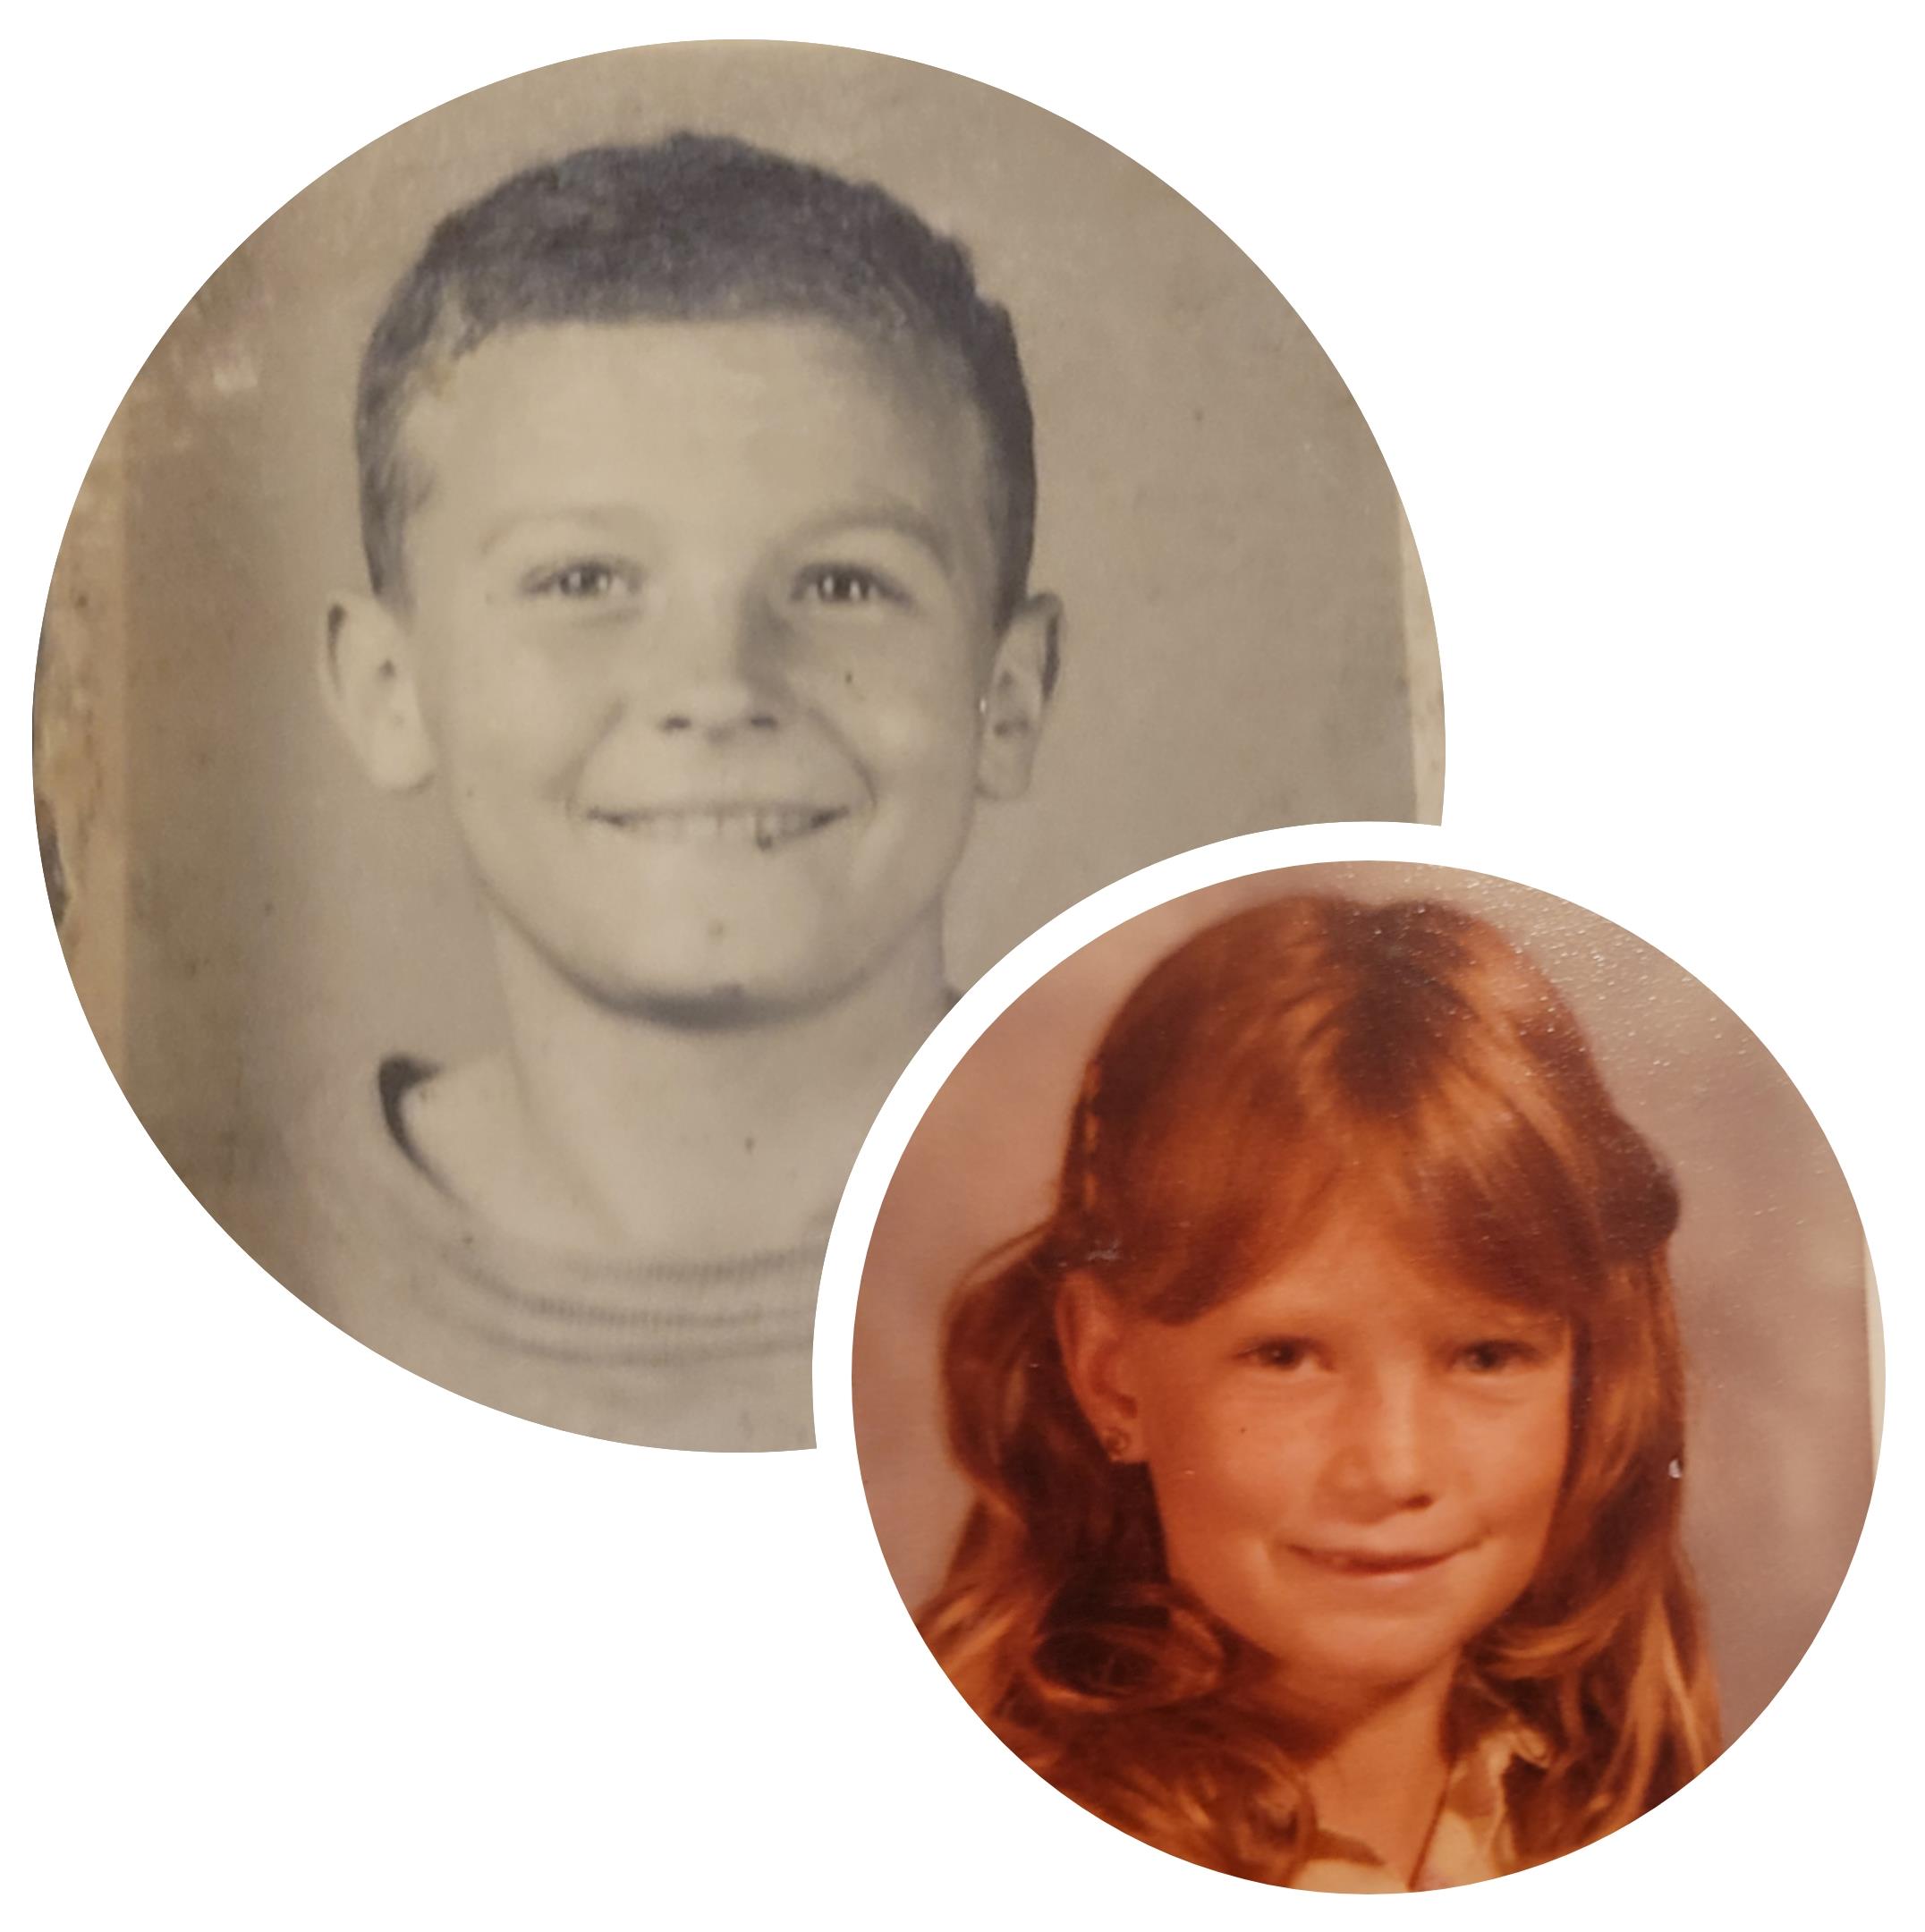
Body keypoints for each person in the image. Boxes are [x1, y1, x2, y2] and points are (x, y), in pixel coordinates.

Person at [300, 135, 1059, 1451]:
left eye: (842, 585)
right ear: (388, 689)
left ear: (1011, 694)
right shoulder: (214, 1232)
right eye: (583, 582)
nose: (716, 686)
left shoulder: (1233, 1252)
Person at [919, 893, 1720, 1889]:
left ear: (1589, 1378)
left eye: (1485, 1357)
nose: (1393, 1467)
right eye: (1286, 1355)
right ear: (1111, 1377)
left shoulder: (1623, 1823)